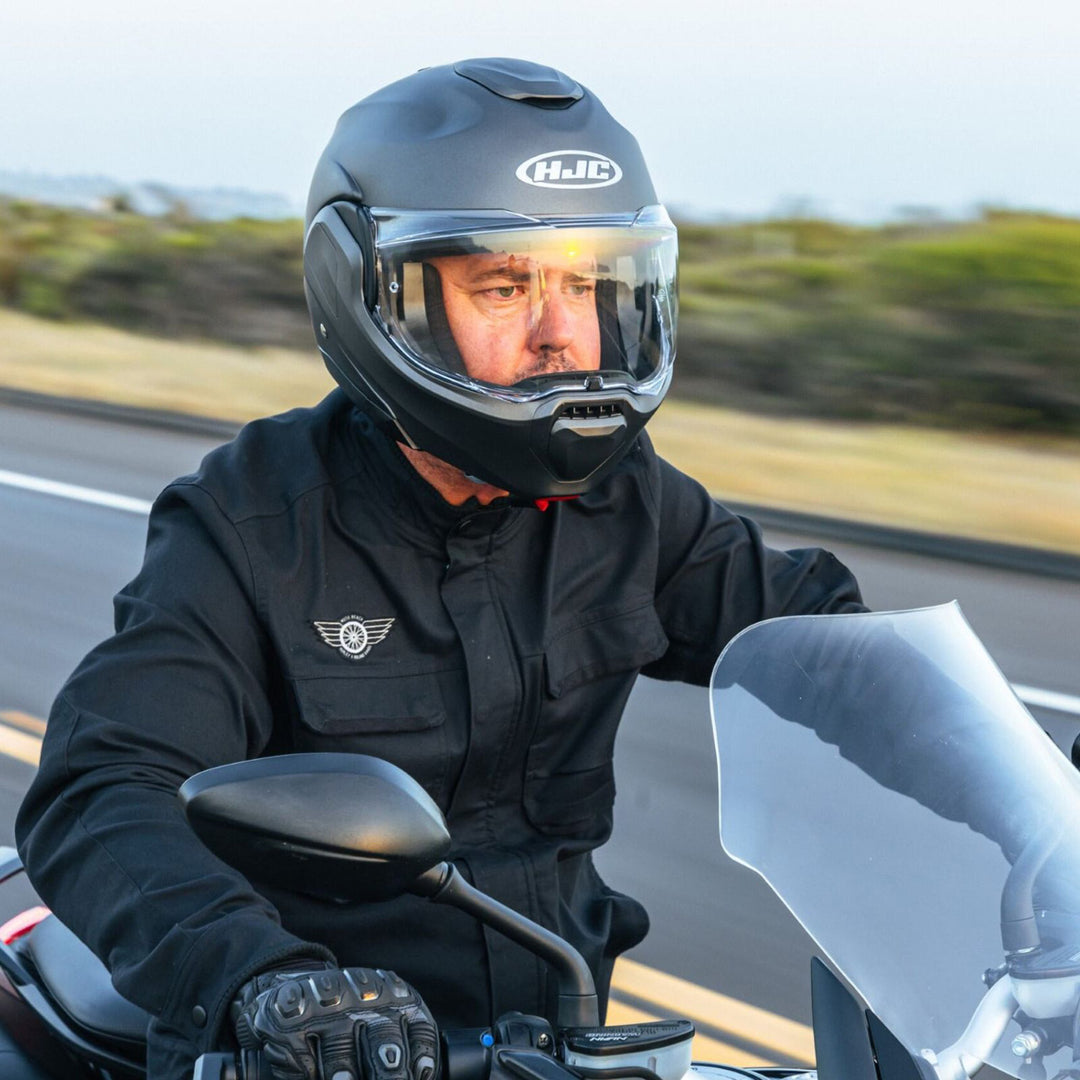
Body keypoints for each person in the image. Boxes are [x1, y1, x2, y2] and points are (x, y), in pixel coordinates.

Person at [15, 59, 865, 1080]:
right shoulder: (253, 524)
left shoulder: (626, 500)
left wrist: (1004, 775)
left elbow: (820, 646)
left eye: (588, 286)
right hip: (301, 1051)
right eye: (506, 287)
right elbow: (103, 785)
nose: (564, 334)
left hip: (561, 1039)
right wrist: (264, 980)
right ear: (379, 300)